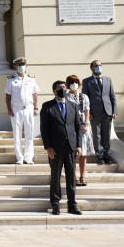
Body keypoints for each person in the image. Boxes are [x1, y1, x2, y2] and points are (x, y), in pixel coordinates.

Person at [40, 80, 82, 216]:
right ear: (54, 91)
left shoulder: (74, 106)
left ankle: (72, 204)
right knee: (55, 176)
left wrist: (79, 145)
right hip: (55, 148)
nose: (63, 90)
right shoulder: (47, 106)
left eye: (64, 87)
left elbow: (78, 127)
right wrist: (48, 147)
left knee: (71, 177)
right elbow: (44, 129)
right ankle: (56, 204)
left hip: (70, 146)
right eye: (60, 88)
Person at [4, 57, 39, 165]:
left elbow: (35, 95)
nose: (21, 67)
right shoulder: (10, 80)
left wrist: (36, 108)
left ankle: (28, 157)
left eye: (23, 65)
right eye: (19, 65)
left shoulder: (31, 79)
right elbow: (7, 96)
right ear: (15, 67)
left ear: (26, 66)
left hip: (28, 108)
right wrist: (9, 109)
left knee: (29, 133)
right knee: (17, 134)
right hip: (16, 109)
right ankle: (19, 157)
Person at [82, 60, 117, 165]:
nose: (99, 67)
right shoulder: (87, 81)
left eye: (100, 65)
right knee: (97, 135)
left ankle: (106, 154)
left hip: (108, 111)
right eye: (96, 66)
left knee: (106, 134)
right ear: (91, 68)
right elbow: (85, 98)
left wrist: (114, 110)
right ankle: (100, 155)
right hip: (94, 112)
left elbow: (112, 96)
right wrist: (88, 113)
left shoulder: (108, 80)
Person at [65, 75, 94, 186]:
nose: (74, 84)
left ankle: (83, 176)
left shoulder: (84, 97)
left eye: (76, 81)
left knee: (83, 153)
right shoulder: (66, 97)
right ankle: (74, 176)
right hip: (71, 127)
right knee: (72, 153)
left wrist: (86, 124)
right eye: (72, 82)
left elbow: (87, 110)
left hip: (83, 126)